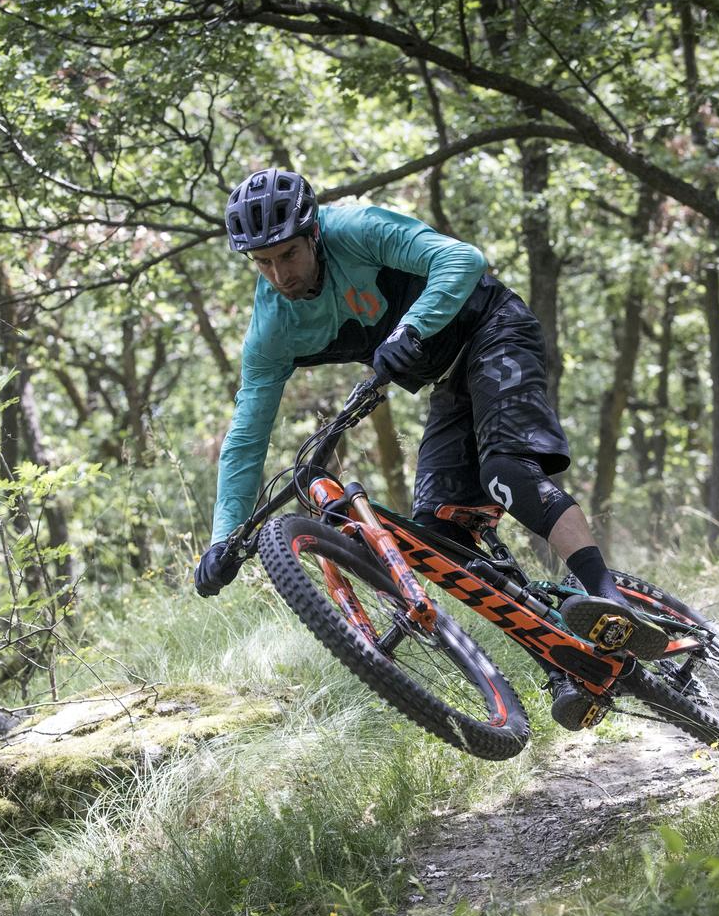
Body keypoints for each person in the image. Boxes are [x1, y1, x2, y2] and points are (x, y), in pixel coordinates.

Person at [193, 167, 657, 729]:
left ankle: (610, 597)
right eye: (261, 263)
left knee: (506, 471)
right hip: (450, 381)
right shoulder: (272, 326)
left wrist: (410, 330)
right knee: (440, 538)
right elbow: (245, 437)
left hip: (494, 328)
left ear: (313, 233)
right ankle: (561, 657)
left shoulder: (358, 229)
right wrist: (225, 538)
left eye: (287, 255)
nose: (278, 275)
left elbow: (463, 259)